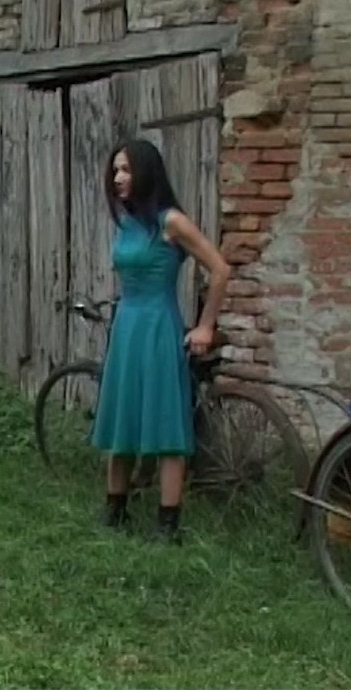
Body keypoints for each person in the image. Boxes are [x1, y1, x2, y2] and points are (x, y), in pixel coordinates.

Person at [90, 138, 231, 543]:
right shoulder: (130, 221)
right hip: (128, 324)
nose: (118, 178)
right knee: (122, 416)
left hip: (157, 324)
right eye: (115, 170)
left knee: (166, 420)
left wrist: (205, 326)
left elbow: (220, 270)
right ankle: (114, 509)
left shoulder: (172, 221)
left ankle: (168, 524)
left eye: (126, 170)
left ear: (147, 172)